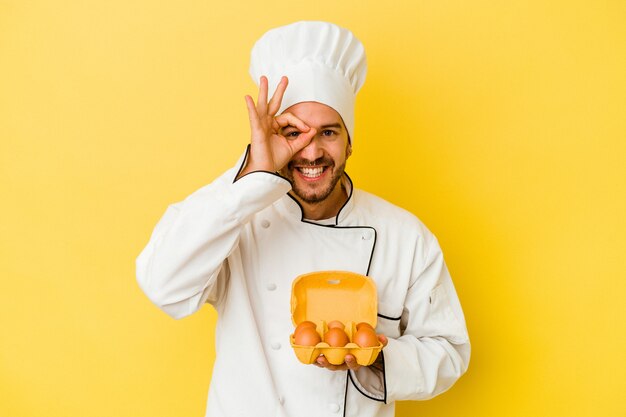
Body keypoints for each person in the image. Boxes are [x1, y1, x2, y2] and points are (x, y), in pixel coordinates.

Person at [136, 21, 470, 417]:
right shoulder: (238, 219)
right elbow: (163, 285)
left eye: (329, 132)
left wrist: (375, 357)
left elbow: (449, 351)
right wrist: (252, 175)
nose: (311, 152)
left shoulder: (404, 237)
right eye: (294, 132)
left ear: (350, 142)